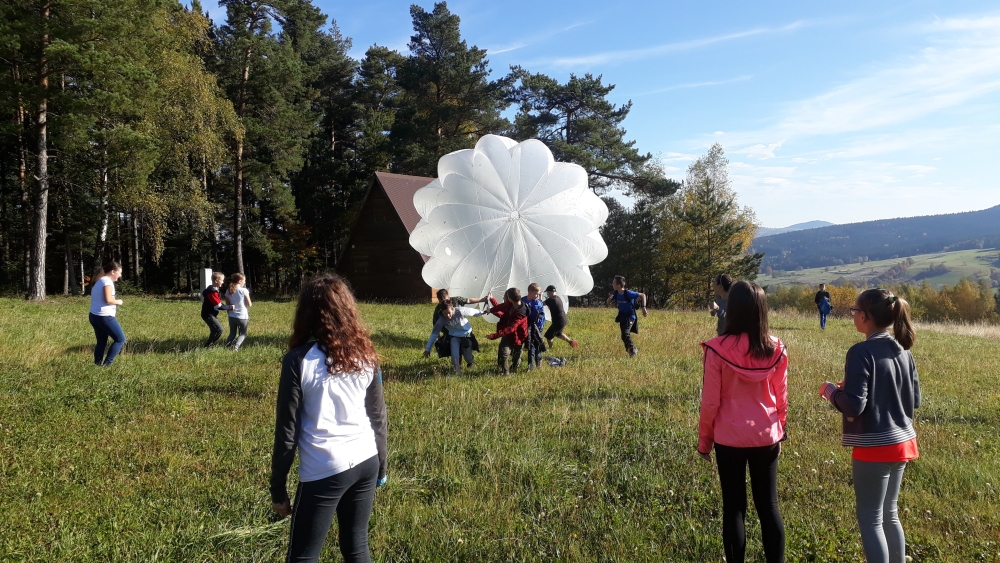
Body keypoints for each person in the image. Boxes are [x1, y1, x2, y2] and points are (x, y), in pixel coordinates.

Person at [270, 273, 388, 563]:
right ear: (348, 310)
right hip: (366, 460)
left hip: (324, 468)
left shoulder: (298, 360)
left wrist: (278, 487)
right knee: (357, 546)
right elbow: (378, 417)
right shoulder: (366, 355)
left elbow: (287, 430)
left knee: (303, 556)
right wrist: (381, 466)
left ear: (306, 313)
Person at [819, 289, 919, 563]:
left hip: (874, 446)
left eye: (854, 311)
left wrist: (830, 391)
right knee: (890, 513)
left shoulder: (860, 352)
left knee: (870, 519)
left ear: (863, 317)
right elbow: (915, 399)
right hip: (904, 443)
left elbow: (854, 406)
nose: (853, 315)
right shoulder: (903, 350)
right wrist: (852, 389)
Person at [697, 280, 787, 563]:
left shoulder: (717, 349)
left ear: (731, 308)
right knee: (769, 507)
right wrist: (780, 431)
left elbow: (710, 402)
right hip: (766, 435)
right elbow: (781, 397)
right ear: (762, 310)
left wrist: (704, 443)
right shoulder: (776, 348)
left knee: (734, 508)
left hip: (729, 438)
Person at [423, 298, 485, 373]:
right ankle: (457, 372)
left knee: (468, 357)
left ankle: (471, 362)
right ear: (442, 312)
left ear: (452, 309)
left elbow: (473, 312)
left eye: (449, 312)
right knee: (454, 355)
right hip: (454, 336)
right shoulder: (441, 320)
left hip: (466, 335)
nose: (448, 315)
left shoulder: (460, 311)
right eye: (445, 313)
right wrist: (427, 349)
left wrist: (484, 311)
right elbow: (434, 334)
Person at [88, 259, 126, 366]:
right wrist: (119, 301)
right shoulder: (107, 282)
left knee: (101, 342)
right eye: (119, 272)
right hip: (104, 317)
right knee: (120, 339)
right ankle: (107, 365)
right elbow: (108, 300)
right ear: (113, 271)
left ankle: (98, 365)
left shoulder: (99, 280)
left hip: (94, 316)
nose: (120, 275)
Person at [486, 288, 529, 375]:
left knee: (517, 355)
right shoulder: (511, 304)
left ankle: (515, 366)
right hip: (508, 336)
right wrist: (491, 307)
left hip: (519, 337)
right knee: (504, 353)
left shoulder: (521, 313)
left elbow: (511, 329)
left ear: (509, 298)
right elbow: (501, 306)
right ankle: (506, 372)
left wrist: (494, 336)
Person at [605, 275, 647, 357]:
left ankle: (632, 350)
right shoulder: (615, 293)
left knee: (625, 333)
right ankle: (631, 350)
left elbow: (643, 295)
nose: (612, 284)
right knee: (623, 336)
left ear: (619, 285)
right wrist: (609, 300)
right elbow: (607, 302)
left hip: (630, 316)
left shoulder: (628, 293)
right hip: (622, 316)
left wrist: (643, 308)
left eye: (613, 283)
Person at [201, 271, 230, 347]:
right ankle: (208, 346)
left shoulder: (214, 290)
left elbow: (218, 303)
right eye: (222, 280)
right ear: (216, 280)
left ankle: (209, 345)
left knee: (215, 330)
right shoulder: (212, 292)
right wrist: (230, 307)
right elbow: (218, 306)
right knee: (219, 329)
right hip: (208, 314)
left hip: (210, 313)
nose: (223, 282)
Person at [543, 285, 577, 349]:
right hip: (563, 320)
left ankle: (550, 348)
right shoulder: (558, 298)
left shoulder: (550, 300)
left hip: (558, 322)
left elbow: (540, 304)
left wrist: (540, 296)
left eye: (547, 292)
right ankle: (571, 342)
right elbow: (551, 306)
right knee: (558, 334)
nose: (547, 294)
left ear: (549, 292)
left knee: (548, 336)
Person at [521, 283, 547, 369]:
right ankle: (530, 365)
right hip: (527, 327)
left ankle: (539, 361)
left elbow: (542, 315)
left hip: (538, 327)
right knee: (530, 345)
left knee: (538, 344)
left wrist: (539, 325)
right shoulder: (523, 301)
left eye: (539, 294)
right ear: (530, 292)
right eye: (536, 294)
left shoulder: (538, 302)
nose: (537, 296)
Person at [224, 273, 252, 351]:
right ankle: (236, 347)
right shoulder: (244, 290)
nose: (244, 282)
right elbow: (249, 304)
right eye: (244, 281)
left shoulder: (228, 291)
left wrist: (229, 313)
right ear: (240, 281)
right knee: (242, 333)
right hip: (242, 316)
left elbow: (227, 304)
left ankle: (228, 347)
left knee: (232, 333)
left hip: (232, 316)